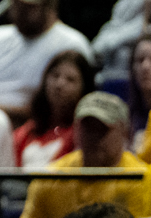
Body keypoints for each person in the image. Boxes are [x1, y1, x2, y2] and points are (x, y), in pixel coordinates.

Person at [0, 0, 95, 117]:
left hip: (33, 128)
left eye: (28, 6)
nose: (18, 12)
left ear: (50, 6)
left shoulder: (71, 45)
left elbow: (67, 108)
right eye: (15, 3)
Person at [18, 92, 151, 218]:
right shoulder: (49, 179)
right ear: (76, 130)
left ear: (124, 132)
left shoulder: (145, 181)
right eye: (87, 128)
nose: (93, 137)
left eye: (101, 129)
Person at [14, 51, 96, 173]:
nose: (60, 84)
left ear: (84, 88)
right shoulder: (26, 132)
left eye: (70, 80)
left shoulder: (84, 135)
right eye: (55, 75)